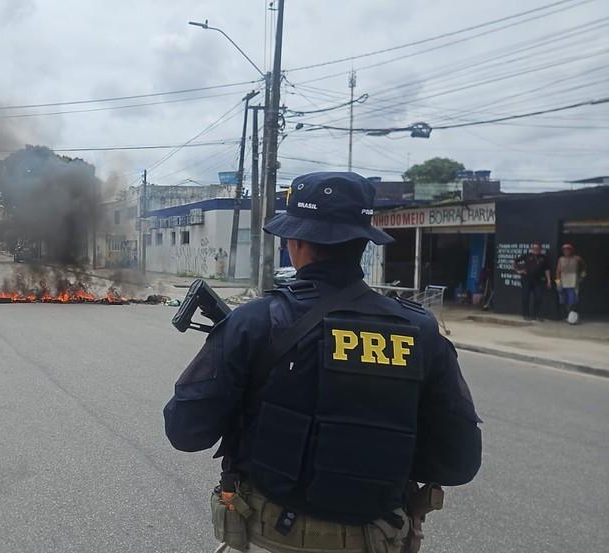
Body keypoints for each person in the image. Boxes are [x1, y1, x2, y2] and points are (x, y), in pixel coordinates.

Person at [164, 172, 482, 553]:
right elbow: (459, 461)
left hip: (272, 539)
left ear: (295, 241)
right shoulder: (420, 331)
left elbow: (185, 431)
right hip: (379, 540)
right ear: (363, 243)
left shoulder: (256, 322)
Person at [514, 243, 551, 321]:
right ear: (532, 248)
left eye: (538, 248)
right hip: (526, 280)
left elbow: (547, 269)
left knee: (538, 298)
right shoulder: (527, 255)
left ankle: (535, 315)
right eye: (534, 248)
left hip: (538, 281)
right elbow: (515, 262)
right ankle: (526, 315)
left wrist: (549, 280)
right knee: (525, 297)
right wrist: (518, 271)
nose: (536, 249)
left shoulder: (544, 258)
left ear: (540, 249)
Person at [555, 243, 586, 322]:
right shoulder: (561, 259)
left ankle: (572, 317)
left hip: (573, 283)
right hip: (563, 282)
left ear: (571, 250)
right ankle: (566, 317)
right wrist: (558, 283)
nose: (566, 251)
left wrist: (582, 276)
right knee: (563, 301)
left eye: (568, 250)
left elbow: (584, 268)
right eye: (564, 250)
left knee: (572, 301)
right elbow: (558, 272)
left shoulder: (577, 259)